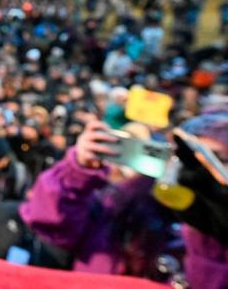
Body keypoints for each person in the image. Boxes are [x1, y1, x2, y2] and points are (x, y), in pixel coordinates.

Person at [19, 115, 228, 288]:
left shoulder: (217, 236)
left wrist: (209, 233)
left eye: (217, 159)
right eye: (192, 156)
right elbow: (51, 223)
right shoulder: (123, 203)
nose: (200, 169)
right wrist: (77, 172)